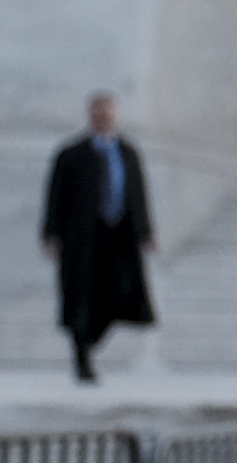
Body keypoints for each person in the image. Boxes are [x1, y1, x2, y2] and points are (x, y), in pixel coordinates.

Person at [41, 92, 154, 382]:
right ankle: (81, 357)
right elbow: (55, 197)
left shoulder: (128, 153)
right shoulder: (71, 154)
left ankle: (88, 338)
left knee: (120, 293)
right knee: (82, 297)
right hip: (82, 239)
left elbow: (138, 195)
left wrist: (146, 231)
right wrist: (51, 233)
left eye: (107, 112)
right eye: (97, 112)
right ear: (90, 116)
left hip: (117, 238)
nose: (103, 117)